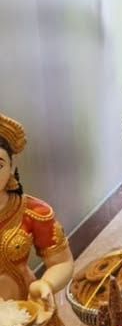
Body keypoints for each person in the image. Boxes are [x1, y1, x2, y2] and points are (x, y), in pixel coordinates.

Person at [0, 114, 73, 305]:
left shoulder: (33, 211)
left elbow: (61, 262)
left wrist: (46, 284)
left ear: (12, 166)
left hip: (25, 309)